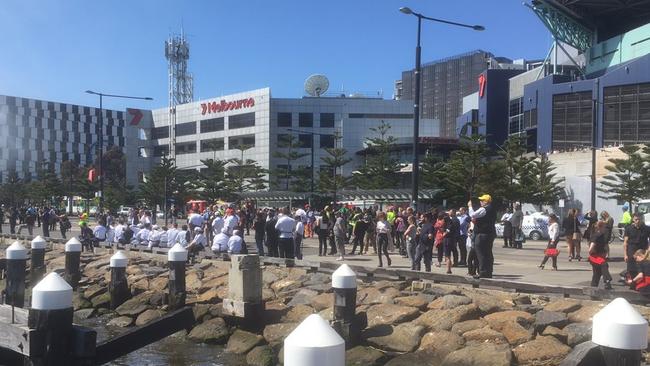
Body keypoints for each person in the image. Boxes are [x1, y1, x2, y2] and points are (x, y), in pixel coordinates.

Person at [469, 194, 497, 279]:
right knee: (488, 253)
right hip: (490, 233)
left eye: (482, 200)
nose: (480, 202)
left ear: (486, 201)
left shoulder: (484, 209)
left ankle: (483, 272)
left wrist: (470, 206)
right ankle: (489, 272)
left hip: (482, 234)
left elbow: (472, 215)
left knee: (481, 253)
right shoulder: (492, 209)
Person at [623, 213, 650, 281]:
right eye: (636, 219)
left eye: (639, 219)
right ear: (633, 219)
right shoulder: (628, 228)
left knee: (642, 268)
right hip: (631, 249)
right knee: (631, 269)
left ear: (642, 219)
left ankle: (641, 284)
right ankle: (632, 283)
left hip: (642, 250)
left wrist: (647, 252)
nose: (637, 221)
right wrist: (625, 254)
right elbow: (625, 242)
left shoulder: (647, 229)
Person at [588, 220, 613, 289]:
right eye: (605, 227)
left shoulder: (602, 235)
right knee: (604, 264)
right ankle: (607, 280)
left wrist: (606, 253)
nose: (605, 229)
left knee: (597, 273)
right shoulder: (596, 235)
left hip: (600, 256)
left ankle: (593, 288)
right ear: (600, 227)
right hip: (594, 256)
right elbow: (591, 247)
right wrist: (592, 252)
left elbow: (605, 245)